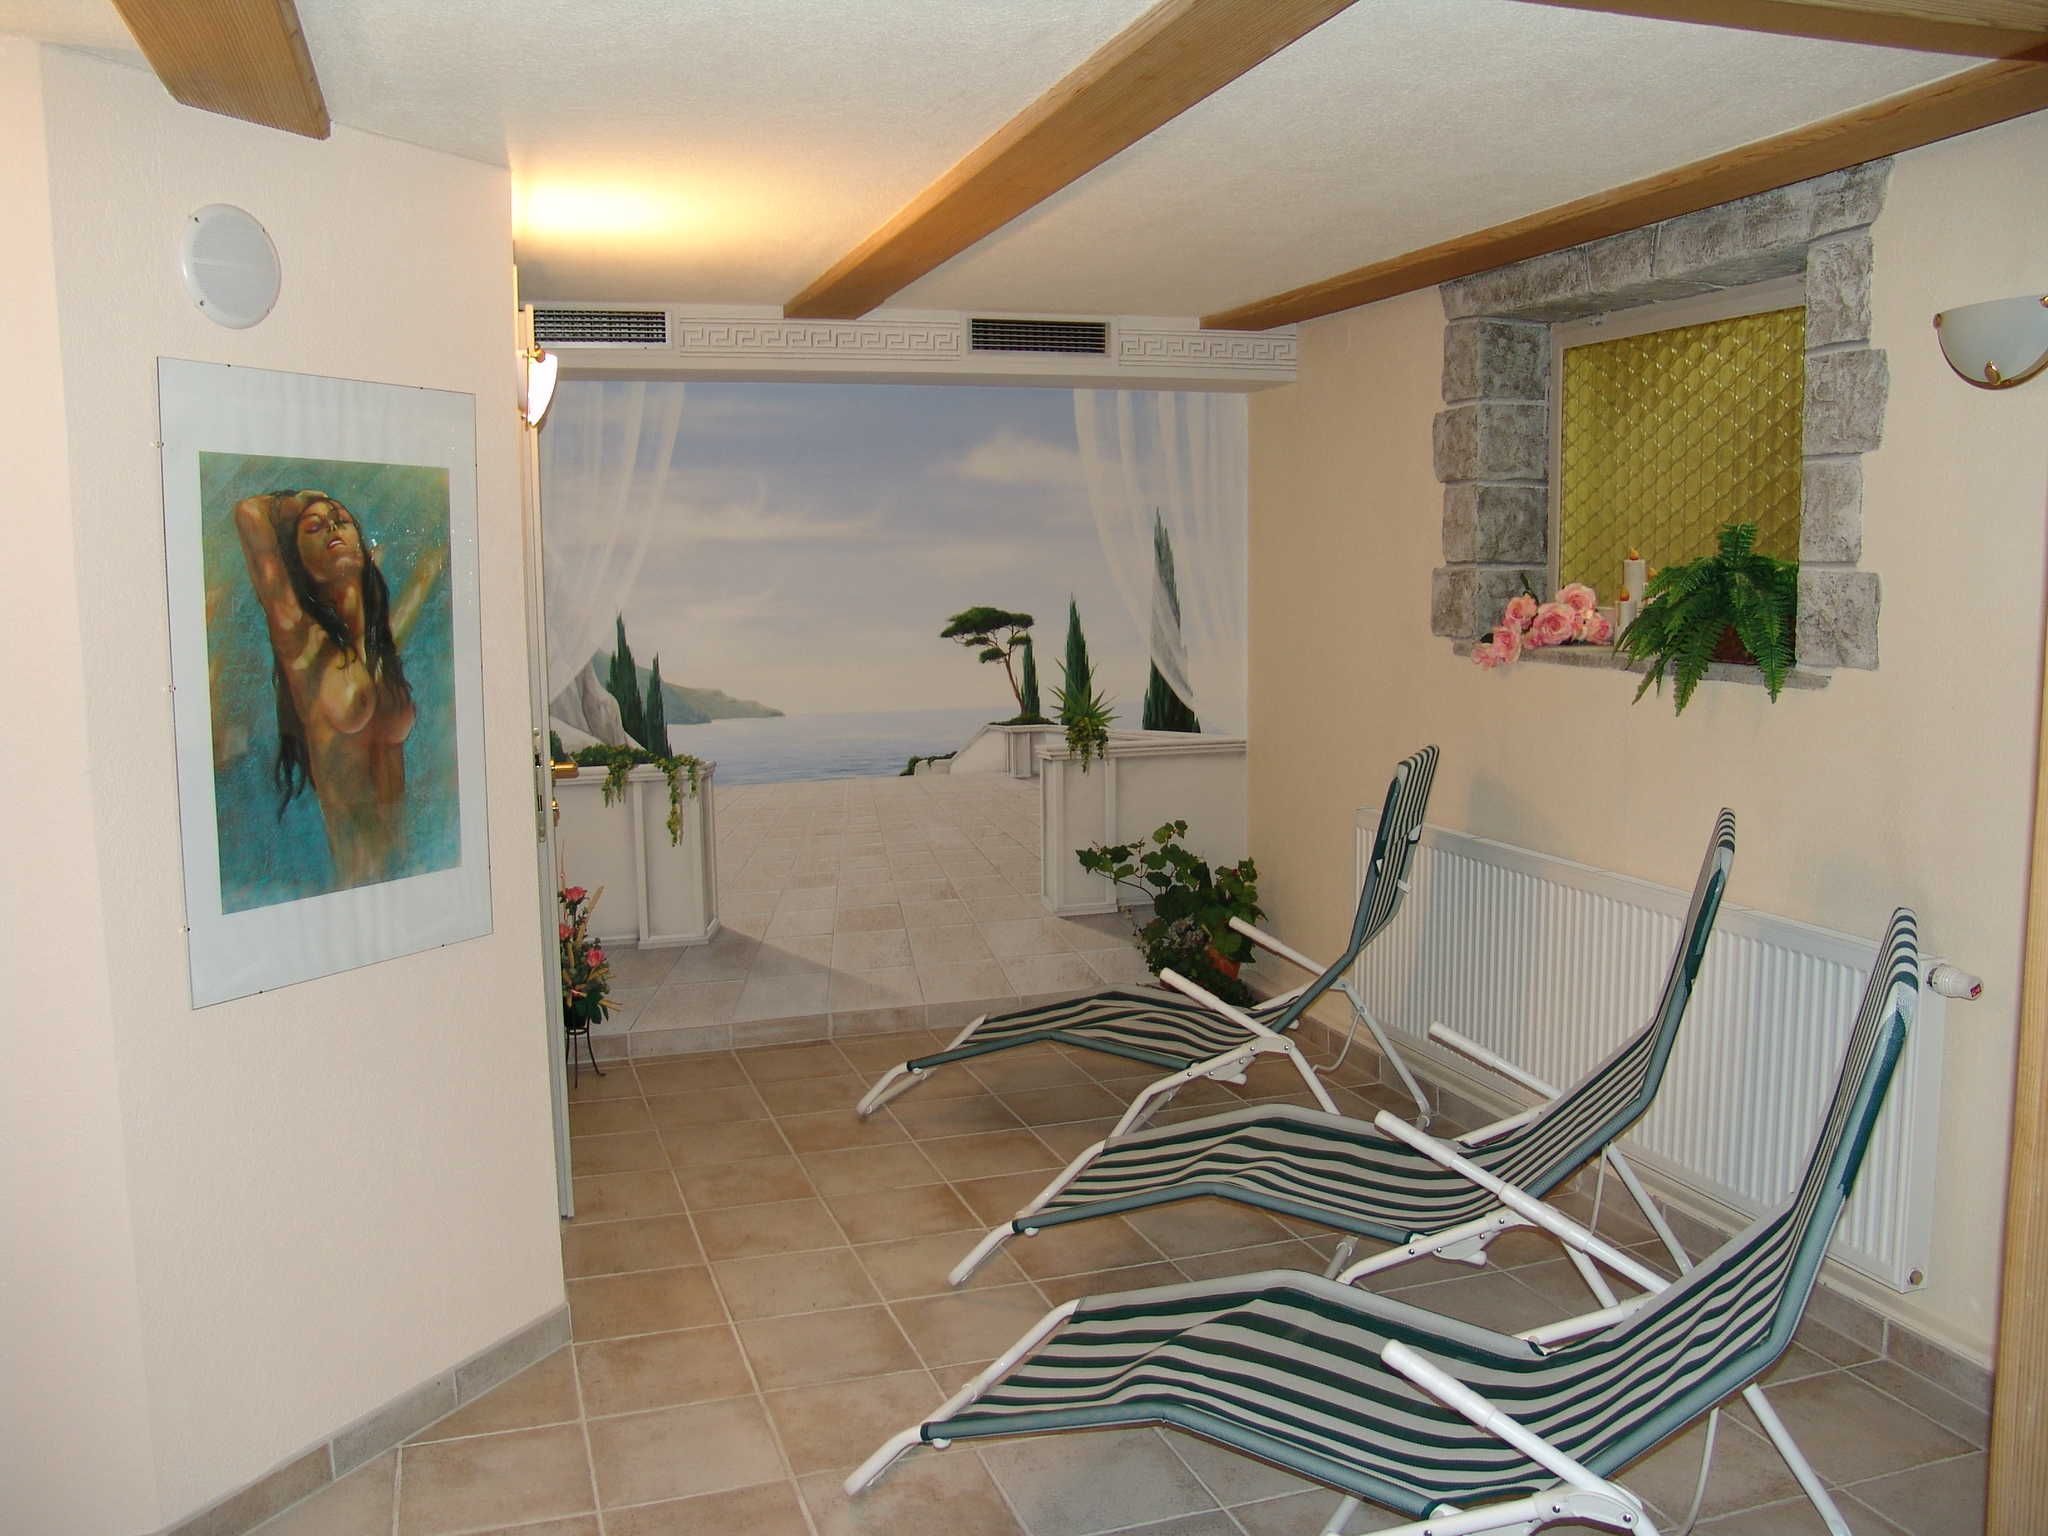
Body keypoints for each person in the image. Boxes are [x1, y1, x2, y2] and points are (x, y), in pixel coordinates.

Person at [233, 489, 444, 888]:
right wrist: (304, 500)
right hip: (354, 884)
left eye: (342, 521)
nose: (332, 526)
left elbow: (430, 567)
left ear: (364, 550)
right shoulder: (302, 644)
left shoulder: (382, 645)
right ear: (300, 563)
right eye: (315, 527)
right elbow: (248, 514)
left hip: (406, 874)